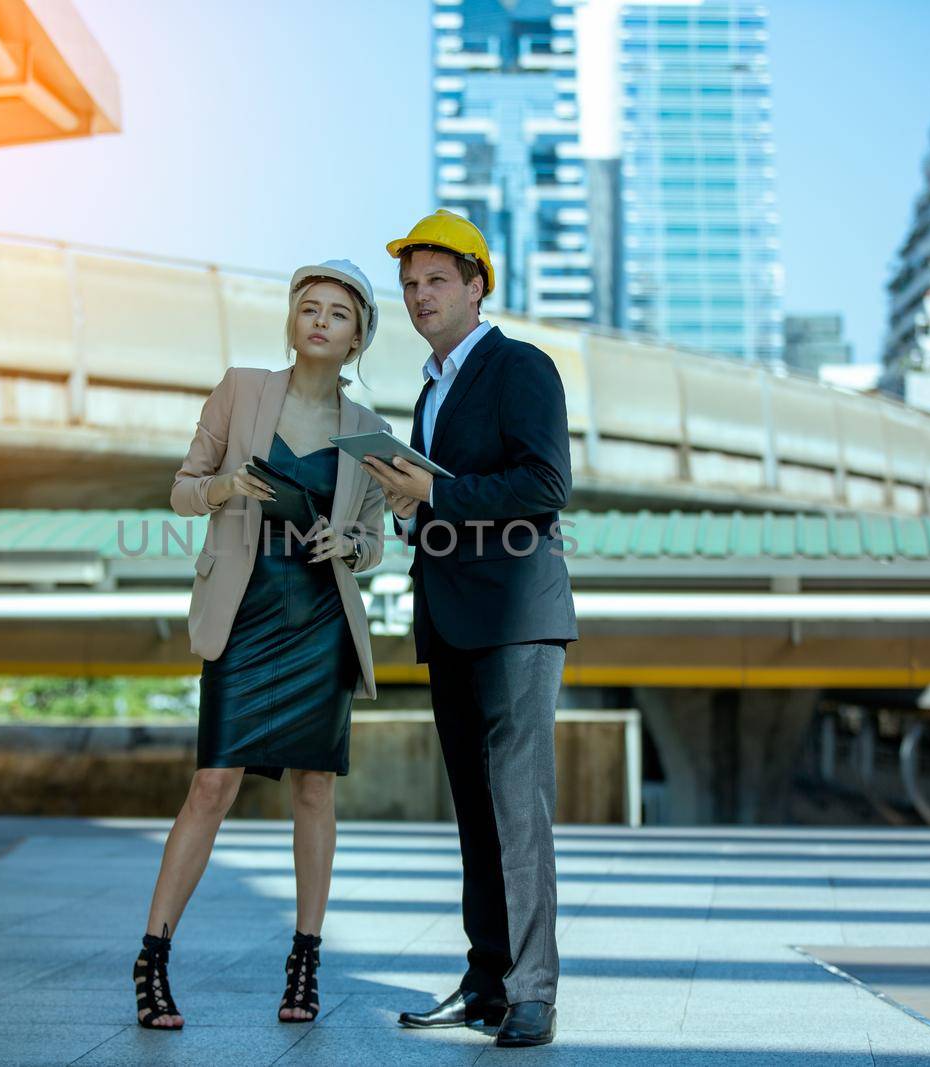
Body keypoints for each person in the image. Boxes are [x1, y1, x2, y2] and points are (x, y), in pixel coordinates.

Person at [132, 259, 390, 1031]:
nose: (319, 320)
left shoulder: (369, 433)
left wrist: (347, 538)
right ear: (292, 320)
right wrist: (225, 489)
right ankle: (151, 957)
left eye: (337, 314)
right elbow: (183, 487)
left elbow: (377, 540)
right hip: (244, 609)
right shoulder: (242, 388)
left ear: (356, 338)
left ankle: (305, 959)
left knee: (314, 786)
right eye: (308, 307)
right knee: (213, 783)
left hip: (320, 615)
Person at [362, 211, 577, 1049]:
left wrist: (435, 492)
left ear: (477, 283)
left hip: (517, 617)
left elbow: (545, 480)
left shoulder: (519, 365)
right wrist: (409, 501)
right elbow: (443, 506)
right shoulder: (429, 390)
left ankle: (533, 991)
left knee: (519, 807)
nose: (420, 296)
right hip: (449, 617)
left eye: (436, 281)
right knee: (477, 814)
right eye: (411, 285)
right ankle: (487, 980)